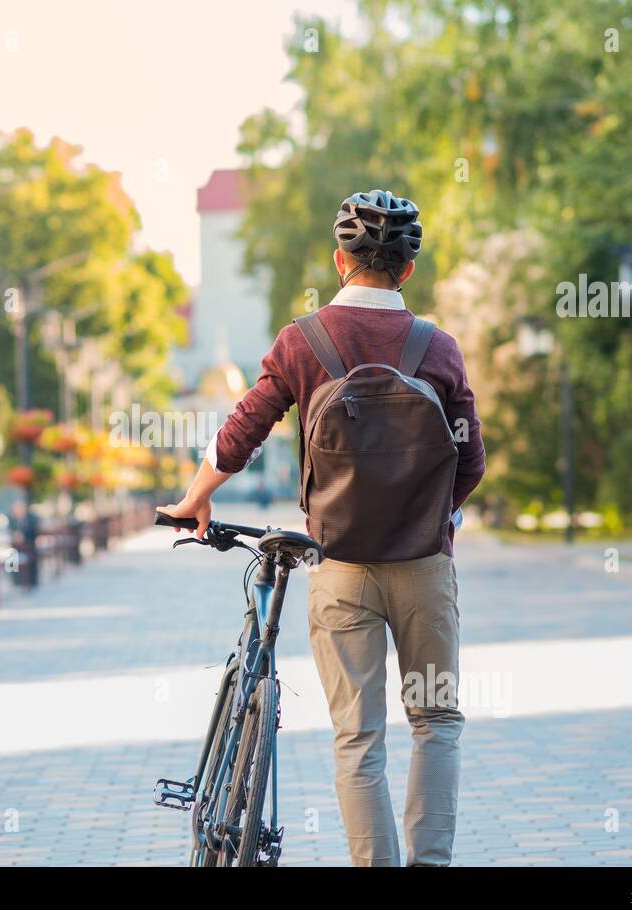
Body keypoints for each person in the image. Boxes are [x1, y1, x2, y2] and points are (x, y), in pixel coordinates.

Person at [160, 189, 486, 866]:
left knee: (358, 738)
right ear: (409, 270)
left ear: (341, 262)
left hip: (338, 571)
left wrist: (197, 497)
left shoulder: (302, 343)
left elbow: (242, 431)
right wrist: (429, 520)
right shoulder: (440, 349)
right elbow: (472, 463)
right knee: (436, 724)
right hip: (425, 570)